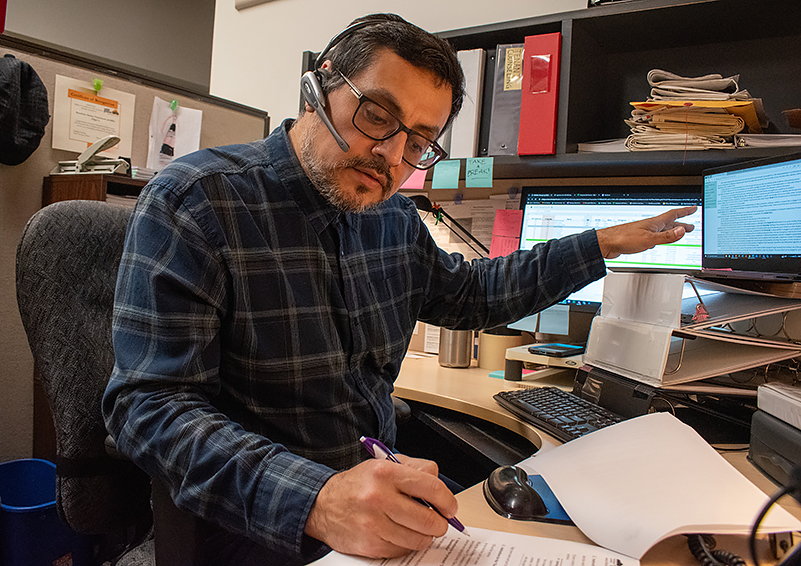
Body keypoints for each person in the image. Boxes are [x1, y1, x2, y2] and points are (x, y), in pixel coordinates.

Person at [102, 13, 696, 566]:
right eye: (377, 117)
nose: (390, 155)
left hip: (381, 517)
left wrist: (598, 246)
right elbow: (148, 408)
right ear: (318, 86)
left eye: (416, 142)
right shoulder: (198, 203)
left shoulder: (391, 219)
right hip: (251, 528)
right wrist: (317, 498)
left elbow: (471, 293)